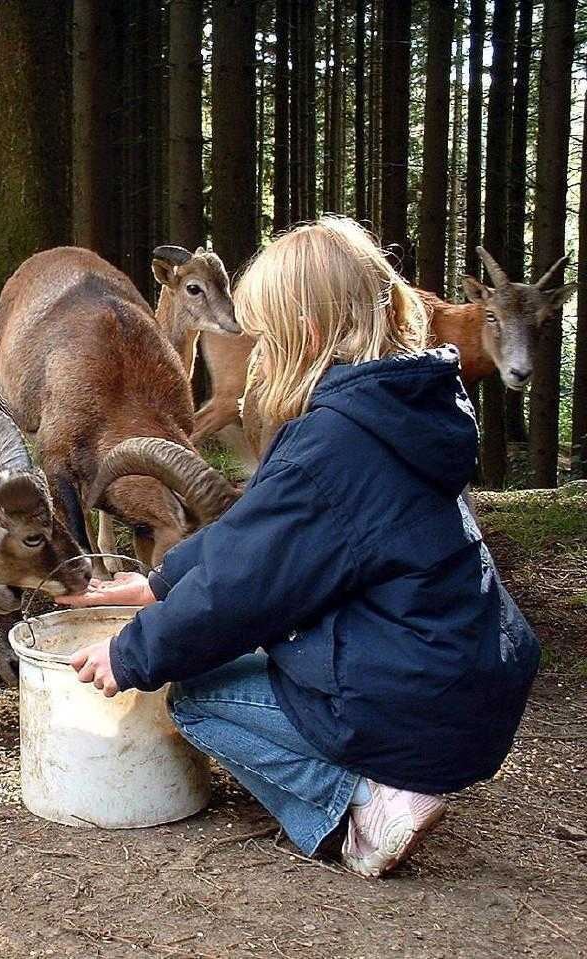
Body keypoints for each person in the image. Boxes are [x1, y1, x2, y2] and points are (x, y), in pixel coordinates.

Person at [57, 216, 539, 878]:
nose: (257, 358)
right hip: (474, 681)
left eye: (268, 341)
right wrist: (161, 582)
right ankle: (389, 771)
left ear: (306, 337)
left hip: (419, 705)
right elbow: (256, 531)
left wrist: (129, 651)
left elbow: (241, 589)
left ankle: (370, 800)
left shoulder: (331, 444)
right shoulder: (405, 406)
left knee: (196, 692)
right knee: (267, 640)